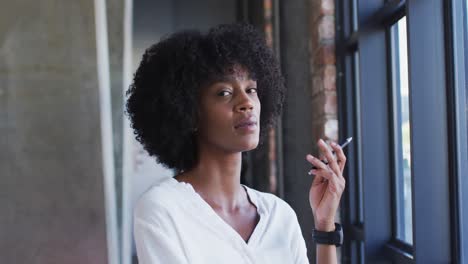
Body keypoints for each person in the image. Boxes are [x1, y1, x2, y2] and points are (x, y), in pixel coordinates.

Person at [126, 23, 346, 264]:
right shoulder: (162, 210)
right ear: (189, 112)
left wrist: (324, 226)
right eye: (224, 93)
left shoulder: (279, 214)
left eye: (251, 89)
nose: (247, 102)